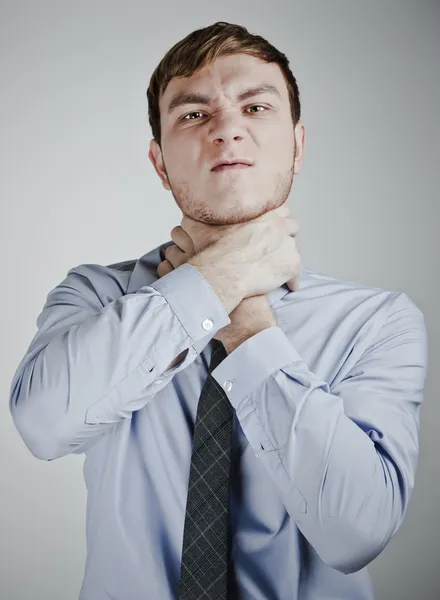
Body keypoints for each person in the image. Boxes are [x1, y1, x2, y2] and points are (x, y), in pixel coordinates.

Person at [9, 21, 428, 600]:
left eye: (256, 107)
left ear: (298, 146)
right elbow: (42, 424)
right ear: (159, 163)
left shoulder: (378, 323)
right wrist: (219, 279)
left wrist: (248, 324)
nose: (228, 129)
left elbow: (355, 533)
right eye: (193, 114)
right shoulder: (96, 296)